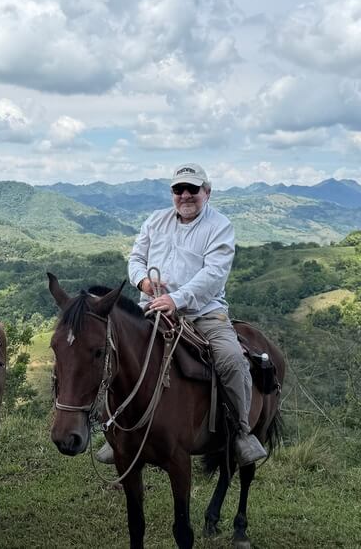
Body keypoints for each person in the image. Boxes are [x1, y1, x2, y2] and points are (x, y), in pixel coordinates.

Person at [99, 162, 267, 467]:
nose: (186, 195)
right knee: (112, 349)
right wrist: (143, 281)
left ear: (207, 192)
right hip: (151, 307)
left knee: (231, 359)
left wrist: (176, 299)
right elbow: (136, 257)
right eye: (179, 189)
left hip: (203, 313)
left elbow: (213, 275)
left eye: (193, 189)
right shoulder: (155, 221)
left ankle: (242, 432)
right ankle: (115, 428)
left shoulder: (220, 226)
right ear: (172, 193)